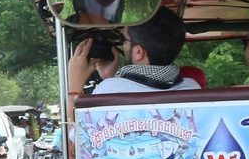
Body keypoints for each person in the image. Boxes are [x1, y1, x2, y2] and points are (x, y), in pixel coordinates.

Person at [70, 7, 201, 95]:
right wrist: (110, 78)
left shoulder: (110, 90)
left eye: (124, 39)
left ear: (139, 52)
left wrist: (75, 85)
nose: (122, 44)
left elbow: (76, 136)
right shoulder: (192, 88)